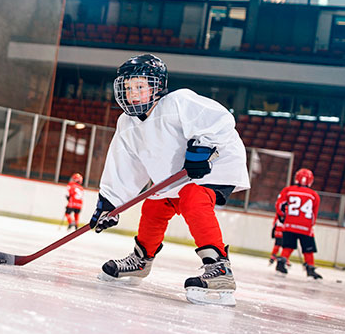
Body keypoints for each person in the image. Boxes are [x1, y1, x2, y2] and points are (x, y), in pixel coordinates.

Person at [87, 54, 250, 306]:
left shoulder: (178, 101)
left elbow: (220, 119)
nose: (133, 93)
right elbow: (126, 165)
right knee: (154, 205)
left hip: (215, 164)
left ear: (156, 86)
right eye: (128, 88)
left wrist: (202, 147)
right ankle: (141, 260)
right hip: (176, 175)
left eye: (140, 86)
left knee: (193, 199)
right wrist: (111, 202)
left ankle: (219, 269)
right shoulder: (126, 123)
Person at [273, 168, 323, 279]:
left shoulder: (288, 190)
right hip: (305, 227)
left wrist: (283, 217)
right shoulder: (314, 195)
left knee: (288, 246)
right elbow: (314, 214)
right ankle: (310, 268)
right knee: (308, 249)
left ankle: (281, 262)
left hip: (289, 224)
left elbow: (279, 205)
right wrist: (311, 225)